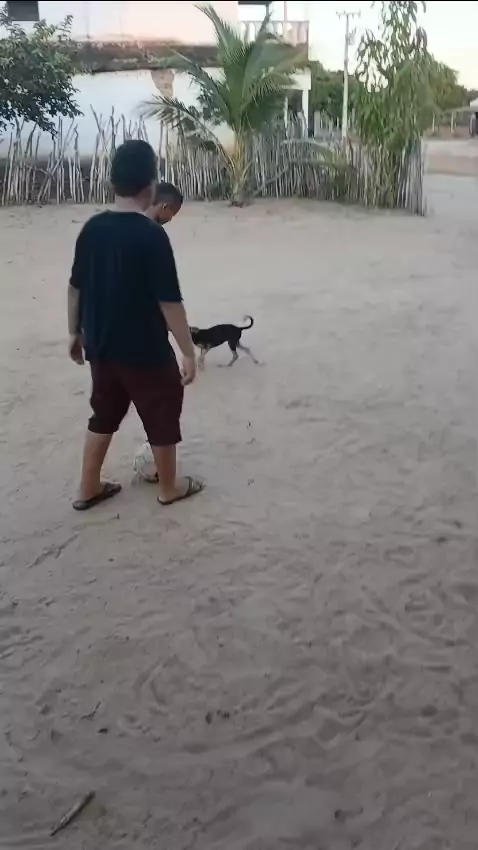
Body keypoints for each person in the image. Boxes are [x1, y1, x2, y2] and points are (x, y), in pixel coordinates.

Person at [67, 139, 203, 510]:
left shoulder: (92, 228)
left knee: (104, 413)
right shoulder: (151, 235)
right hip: (145, 351)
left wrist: (74, 332)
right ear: (151, 186)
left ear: (112, 181)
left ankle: (88, 487)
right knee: (162, 414)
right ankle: (169, 488)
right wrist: (188, 351)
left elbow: (75, 287)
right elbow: (169, 302)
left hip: (101, 346)